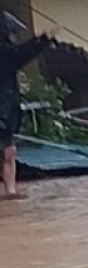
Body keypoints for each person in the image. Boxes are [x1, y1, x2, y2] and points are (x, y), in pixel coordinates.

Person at [1, 12, 55, 201]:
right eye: (12, 34)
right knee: (8, 151)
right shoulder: (4, 52)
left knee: (9, 151)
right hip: (3, 109)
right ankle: (10, 190)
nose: (15, 37)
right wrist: (44, 40)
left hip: (7, 109)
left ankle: (10, 191)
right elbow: (21, 54)